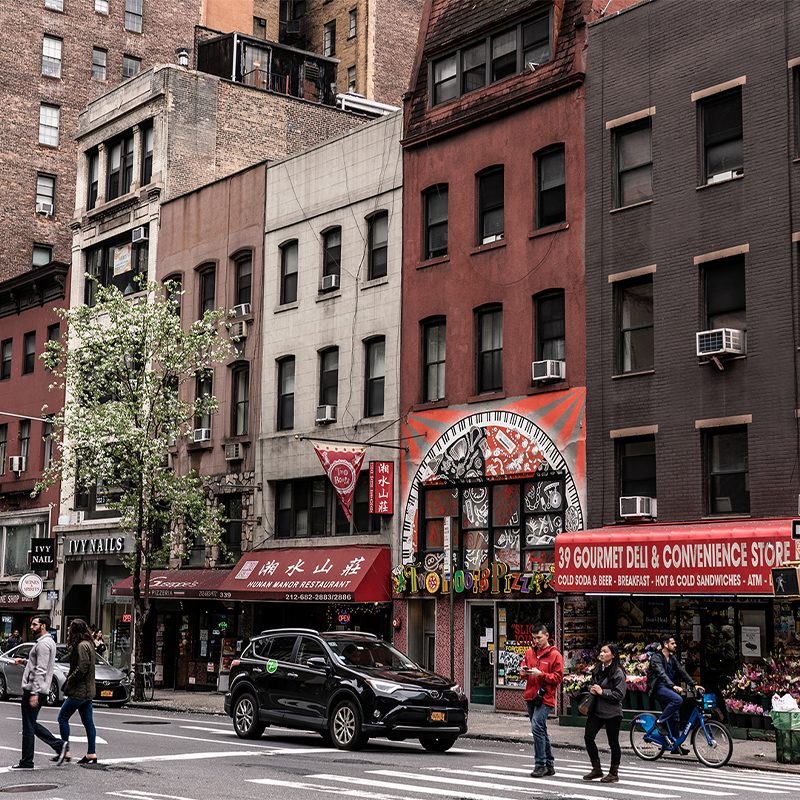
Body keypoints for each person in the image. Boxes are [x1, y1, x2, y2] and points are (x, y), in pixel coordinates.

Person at [10, 615, 69, 770]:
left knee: (28, 726)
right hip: (39, 688)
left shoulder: (43, 644)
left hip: (34, 690)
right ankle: (58, 746)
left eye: (34, 624)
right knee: (31, 724)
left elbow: (41, 669)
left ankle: (28, 761)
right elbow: (38, 664)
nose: (31, 627)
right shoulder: (47, 643)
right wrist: (24, 662)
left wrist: (35, 692)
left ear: (43, 626)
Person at [646, 633, 704, 751]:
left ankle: (676, 746)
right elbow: (661, 674)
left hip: (668, 687)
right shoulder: (656, 658)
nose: (675, 645)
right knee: (677, 699)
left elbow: (682, 672)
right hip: (659, 687)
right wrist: (673, 686)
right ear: (665, 644)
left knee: (675, 716)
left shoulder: (672, 658)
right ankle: (660, 722)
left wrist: (694, 684)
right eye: (672, 643)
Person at [521, 623, 563, 778]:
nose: (536, 641)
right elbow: (523, 670)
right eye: (533, 638)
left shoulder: (555, 655)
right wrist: (523, 672)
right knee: (540, 729)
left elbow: (558, 678)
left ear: (547, 636)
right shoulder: (529, 652)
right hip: (531, 695)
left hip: (546, 697)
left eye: (538, 637)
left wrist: (541, 675)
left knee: (537, 726)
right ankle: (549, 764)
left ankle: (540, 764)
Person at [582, 643, 627, 783]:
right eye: (600, 651)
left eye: (605, 652)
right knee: (588, 737)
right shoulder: (597, 668)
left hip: (612, 712)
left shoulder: (618, 672)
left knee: (613, 742)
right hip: (596, 710)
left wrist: (603, 692)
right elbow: (590, 683)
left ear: (613, 655)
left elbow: (620, 694)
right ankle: (596, 769)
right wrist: (592, 688)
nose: (601, 654)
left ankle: (614, 773)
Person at [57, 619, 98, 765]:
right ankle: (91, 752)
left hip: (79, 691)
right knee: (88, 723)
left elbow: (82, 668)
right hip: (88, 691)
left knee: (62, 718)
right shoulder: (89, 644)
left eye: (70, 630)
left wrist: (70, 680)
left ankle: (65, 750)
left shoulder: (81, 646)